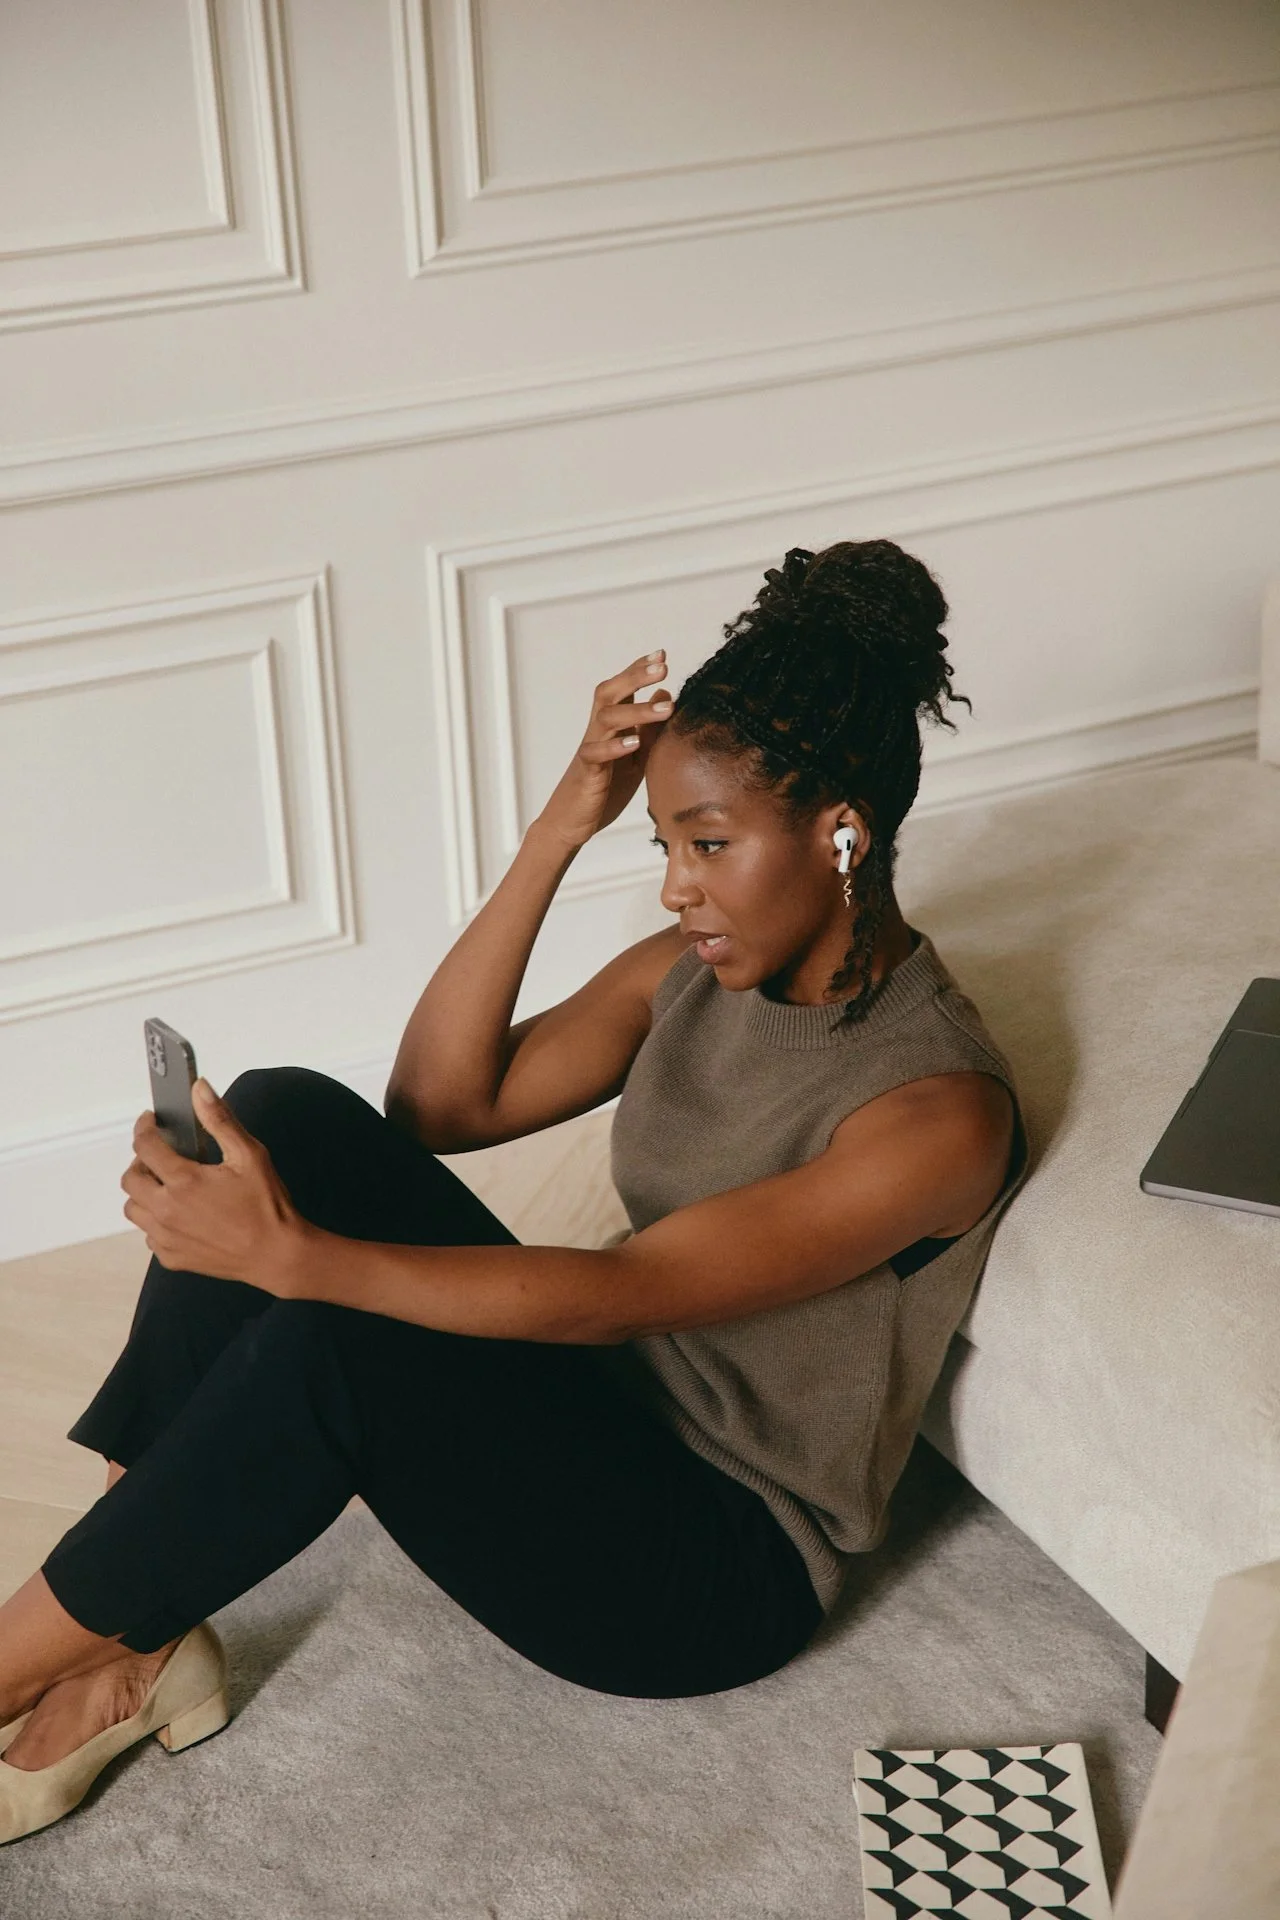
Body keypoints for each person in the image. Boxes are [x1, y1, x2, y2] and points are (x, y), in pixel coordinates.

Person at [0, 538, 1026, 1843]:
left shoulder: (934, 1115)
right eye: (663, 841)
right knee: (280, 1114)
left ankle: (28, 1654)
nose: (675, 885)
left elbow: (623, 1293)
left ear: (840, 832)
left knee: (333, 1337)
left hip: (708, 1571)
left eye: (708, 842)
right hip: (603, 1418)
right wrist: (561, 823)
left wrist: (292, 1260)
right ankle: (121, 1647)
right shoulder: (692, 967)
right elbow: (438, 1107)